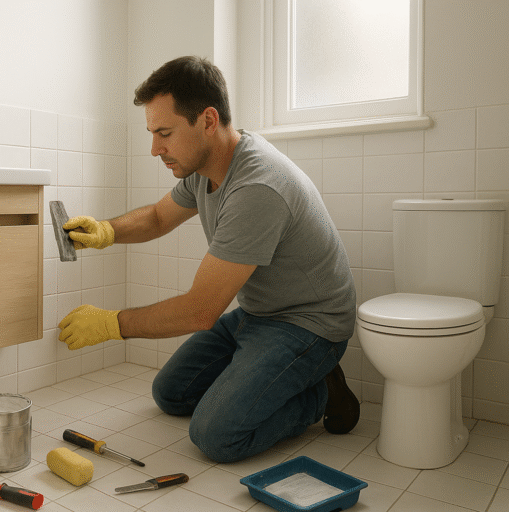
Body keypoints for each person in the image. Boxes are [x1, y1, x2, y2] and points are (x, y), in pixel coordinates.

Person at [57, 56, 359, 463]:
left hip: (309, 325)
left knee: (216, 436)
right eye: (151, 134)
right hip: (259, 314)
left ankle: (320, 393)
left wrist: (112, 324)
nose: (154, 149)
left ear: (208, 120)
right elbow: (159, 216)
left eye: (164, 133)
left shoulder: (257, 186)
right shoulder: (205, 166)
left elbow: (200, 311)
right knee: (171, 393)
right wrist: (105, 230)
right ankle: (263, 376)